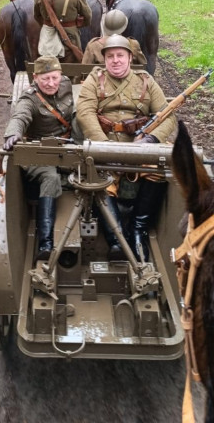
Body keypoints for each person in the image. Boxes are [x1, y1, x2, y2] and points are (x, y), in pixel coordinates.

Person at [76, 34, 177, 261]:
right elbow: (85, 113)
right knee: (98, 178)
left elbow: (167, 116)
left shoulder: (145, 81)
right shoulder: (95, 79)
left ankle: (138, 229)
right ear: (104, 59)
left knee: (159, 169)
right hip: (105, 146)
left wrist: (150, 140)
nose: (115, 60)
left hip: (140, 147)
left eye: (120, 55)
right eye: (110, 56)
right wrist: (103, 146)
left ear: (130, 58)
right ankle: (116, 239)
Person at [3, 56, 75, 259]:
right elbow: (20, 116)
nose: (51, 83)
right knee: (50, 178)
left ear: (61, 75)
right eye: (45, 79)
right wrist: (13, 134)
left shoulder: (66, 84)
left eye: (54, 77)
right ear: (35, 78)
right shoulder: (30, 99)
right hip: (41, 152)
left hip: (69, 148)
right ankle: (45, 244)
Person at [82, 9, 147, 67]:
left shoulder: (93, 46)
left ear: (105, 26)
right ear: (124, 26)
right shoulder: (133, 44)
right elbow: (143, 66)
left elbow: (84, 69)